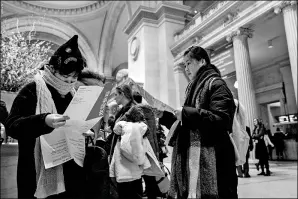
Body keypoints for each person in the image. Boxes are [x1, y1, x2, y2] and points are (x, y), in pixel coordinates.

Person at [5, 35, 89, 199]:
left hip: (68, 170)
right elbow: (12, 126)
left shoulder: (73, 94)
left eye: (74, 77)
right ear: (53, 70)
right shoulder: (32, 90)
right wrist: (43, 120)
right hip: (35, 171)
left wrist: (83, 130)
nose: (69, 82)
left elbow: (73, 124)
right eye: (65, 77)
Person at [169, 46, 237, 199]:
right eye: (184, 65)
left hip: (216, 158)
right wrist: (167, 117)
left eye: (189, 63)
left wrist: (186, 113)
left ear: (202, 61)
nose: (186, 68)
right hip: (194, 156)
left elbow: (221, 120)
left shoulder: (216, 83)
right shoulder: (191, 88)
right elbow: (189, 125)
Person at [132, 91, 161, 199]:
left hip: (143, 146)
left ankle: (151, 193)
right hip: (152, 144)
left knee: (145, 173)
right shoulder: (149, 109)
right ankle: (152, 192)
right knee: (149, 173)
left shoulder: (137, 110)